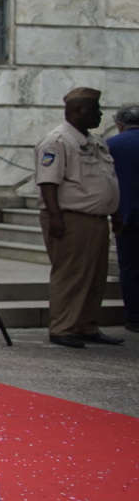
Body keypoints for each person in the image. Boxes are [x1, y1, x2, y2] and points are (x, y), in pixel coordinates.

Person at [36, 87, 122, 349]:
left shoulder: (95, 141)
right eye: (95, 109)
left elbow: (108, 180)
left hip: (96, 218)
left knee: (95, 276)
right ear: (77, 111)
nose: (100, 114)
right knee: (71, 274)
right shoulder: (57, 141)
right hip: (71, 217)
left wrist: (115, 213)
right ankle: (63, 327)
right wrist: (56, 218)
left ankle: (86, 325)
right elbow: (48, 182)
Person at [110, 105, 139, 334]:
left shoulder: (112, 145)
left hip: (128, 216)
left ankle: (134, 317)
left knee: (130, 268)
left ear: (120, 124)